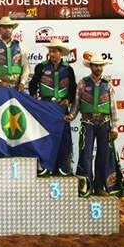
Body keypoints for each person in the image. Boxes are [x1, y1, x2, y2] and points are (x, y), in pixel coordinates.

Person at [65, 52, 124, 197]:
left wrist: (115, 127)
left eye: (100, 66)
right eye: (96, 65)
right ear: (91, 66)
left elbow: (113, 107)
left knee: (103, 156)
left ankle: (99, 187)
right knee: (86, 154)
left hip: (104, 123)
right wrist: (71, 115)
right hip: (87, 122)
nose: (98, 68)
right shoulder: (83, 83)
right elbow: (76, 103)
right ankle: (86, 187)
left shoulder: (107, 84)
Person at [29, 38, 76, 177]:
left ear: (60, 52)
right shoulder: (41, 66)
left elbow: (73, 88)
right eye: (50, 51)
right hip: (45, 106)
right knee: (45, 137)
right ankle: (44, 166)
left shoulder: (68, 69)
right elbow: (33, 84)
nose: (52, 54)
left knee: (63, 138)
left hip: (61, 107)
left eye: (55, 51)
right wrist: (34, 96)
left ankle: (63, 167)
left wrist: (69, 99)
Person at [0, 16, 30, 90]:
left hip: (17, 87)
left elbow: (26, 66)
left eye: (9, 27)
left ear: (12, 29)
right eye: (4, 27)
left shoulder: (20, 46)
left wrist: (22, 82)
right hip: (0, 87)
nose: (7, 30)